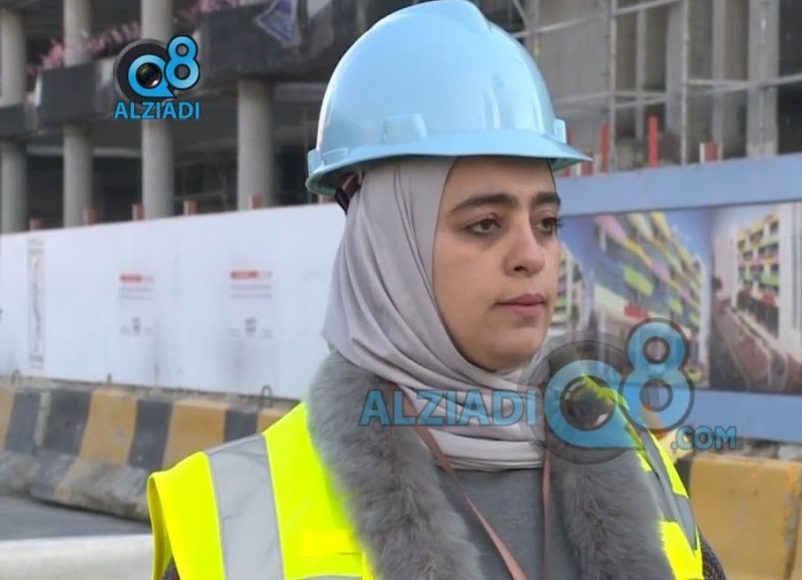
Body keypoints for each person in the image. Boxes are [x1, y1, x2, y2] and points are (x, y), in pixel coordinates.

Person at [145, 2, 725, 579]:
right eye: (485, 224)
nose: (531, 255)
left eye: (546, 222)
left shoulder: (640, 461)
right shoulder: (242, 515)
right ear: (388, 247)